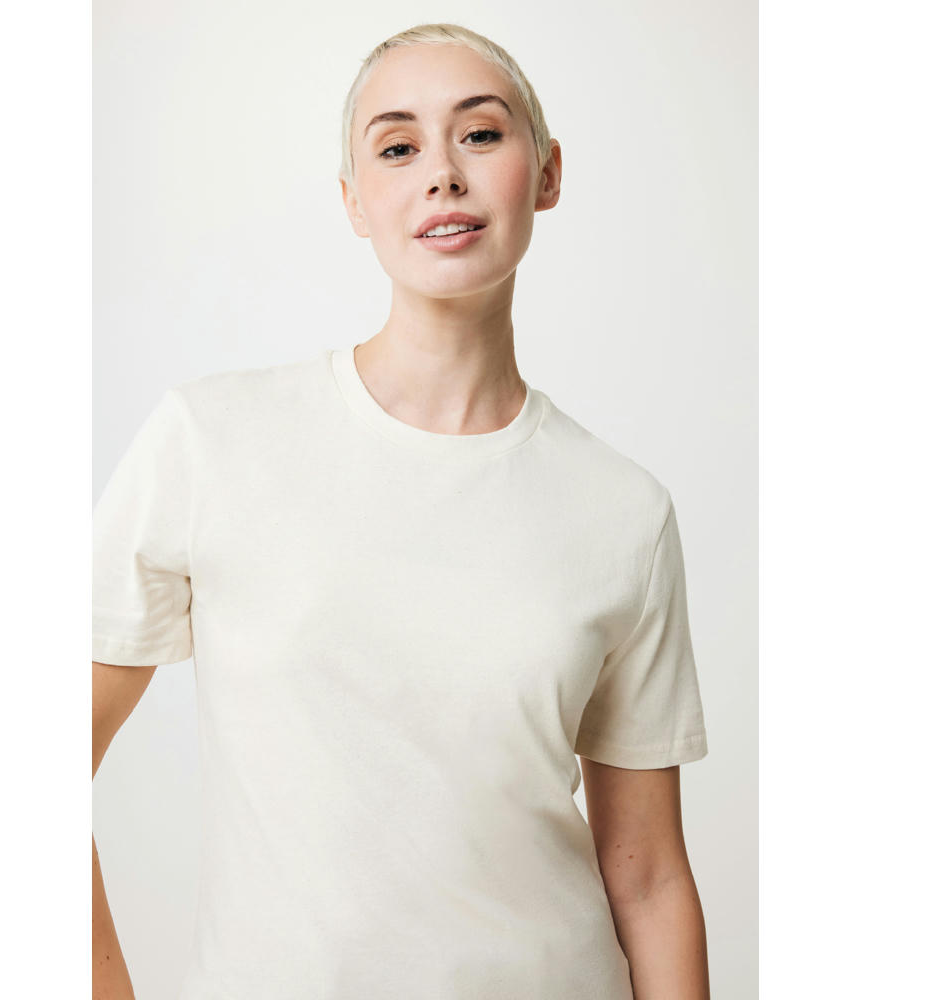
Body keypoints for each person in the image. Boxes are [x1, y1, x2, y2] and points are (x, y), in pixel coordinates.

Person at [92, 21, 710, 1000]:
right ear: (353, 200)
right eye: (396, 148)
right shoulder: (212, 441)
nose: (442, 175)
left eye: (481, 134)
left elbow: (647, 876)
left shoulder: (623, 512)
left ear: (547, 174)